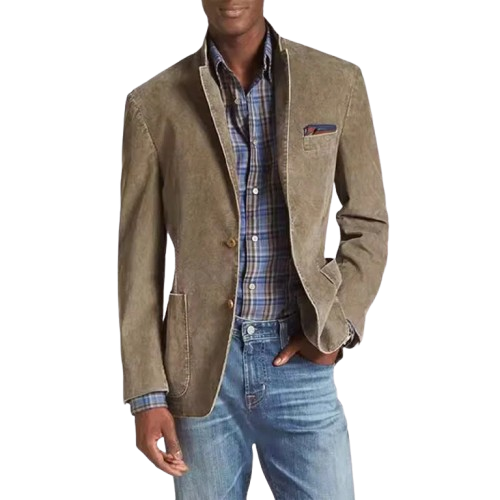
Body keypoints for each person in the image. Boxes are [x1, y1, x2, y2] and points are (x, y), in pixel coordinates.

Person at [117, 1, 389, 498]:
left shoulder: (337, 81)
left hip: (302, 358)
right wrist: (146, 395)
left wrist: (337, 324)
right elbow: (138, 263)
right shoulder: (152, 104)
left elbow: (368, 222)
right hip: (200, 376)